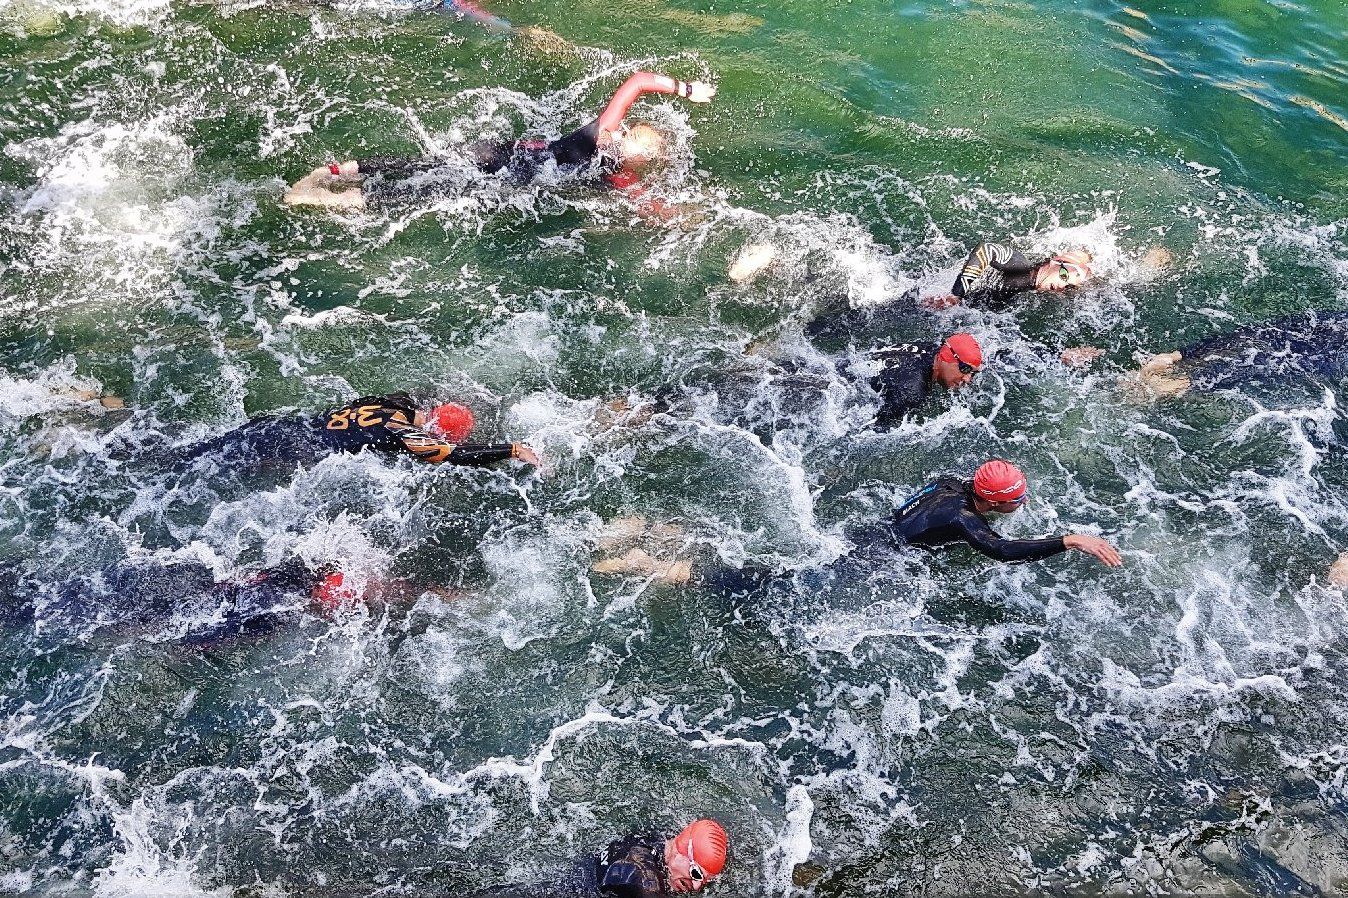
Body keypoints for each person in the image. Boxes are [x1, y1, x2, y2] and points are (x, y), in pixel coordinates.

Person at [284, 72, 716, 212]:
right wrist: (673, 214)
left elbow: (638, 81)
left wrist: (683, 88)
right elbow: (639, 199)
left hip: (506, 150)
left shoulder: (602, 133)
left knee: (423, 162)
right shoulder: (607, 162)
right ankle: (332, 200)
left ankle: (332, 172)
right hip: (511, 175)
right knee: (431, 189)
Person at [173, 392, 540, 473]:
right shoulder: (403, 433)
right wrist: (510, 449)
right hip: (292, 449)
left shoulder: (392, 404)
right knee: (199, 470)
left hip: (276, 426)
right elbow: (452, 456)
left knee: (190, 456)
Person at [885, 459, 1123, 566]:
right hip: (885, 557)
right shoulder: (963, 518)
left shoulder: (950, 483)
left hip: (882, 529)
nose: (1025, 500)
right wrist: (1069, 541)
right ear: (992, 502)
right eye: (1017, 499)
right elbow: (1003, 551)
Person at [472, 818, 729, 897]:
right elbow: (635, 876)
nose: (696, 886)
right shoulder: (644, 875)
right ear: (682, 849)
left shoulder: (655, 841)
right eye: (696, 873)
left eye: (703, 881)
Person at [1128, 311, 1348, 398]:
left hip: (1335, 323)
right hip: (1334, 347)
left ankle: (1178, 358)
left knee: (1266, 334)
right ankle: (1183, 381)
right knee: (1278, 362)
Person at [857, 332, 983, 428]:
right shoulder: (912, 392)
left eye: (973, 373)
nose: (968, 379)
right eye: (965, 369)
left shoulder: (931, 349)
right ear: (946, 358)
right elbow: (868, 430)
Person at [928, 242, 1094, 309]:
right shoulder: (1022, 267)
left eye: (1069, 286)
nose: (1063, 285)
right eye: (1064, 276)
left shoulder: (1028, 290)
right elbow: (986, 249)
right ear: (1053, 263)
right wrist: (956, 295)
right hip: (936, 298)